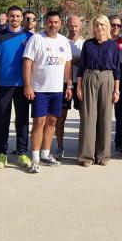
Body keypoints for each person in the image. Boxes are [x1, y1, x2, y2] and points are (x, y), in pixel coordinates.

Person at [22, 11, 72, 173]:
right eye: (50, 22)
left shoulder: (64, 41)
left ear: (60, 24)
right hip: (40, 90)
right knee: (39, 122)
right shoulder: (36, 39)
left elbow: (67, 64)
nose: (53, 25)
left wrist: (69, 84)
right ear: (45, 23)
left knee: (52, 122)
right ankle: (35, 158)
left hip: (57, 90)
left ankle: (45, 153)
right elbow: (27, 63)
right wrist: (28, 85)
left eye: (56, 22)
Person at [76, 16, 121, 166]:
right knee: (88, 117)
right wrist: (79, 87)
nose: (99, 27)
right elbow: (81, 67)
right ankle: (86, 156)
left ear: (107, 26)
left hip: (107, 79)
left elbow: (117, 70)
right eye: (96, 25)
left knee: (105, 117)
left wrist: (116, 90)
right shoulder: (88, 44)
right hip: (89, 78)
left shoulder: (113, 46)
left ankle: (103, 155)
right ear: (93, 27)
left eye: (102, 24)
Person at [0, 6, 32, 168]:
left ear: (22, 18)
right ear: (7, 17)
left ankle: (22, 152)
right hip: (3, 84)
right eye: (12, 16)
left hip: (23, 85)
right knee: (2, 120)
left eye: (17, 16)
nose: (15, 19)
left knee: (22, 120)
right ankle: (1, 153)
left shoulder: (30, 37)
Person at [54, 16, 84, 159]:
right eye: (71, 26)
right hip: (63, 83)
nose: (73, 29)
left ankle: (84, 147)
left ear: (81, 26)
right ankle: (60, 147)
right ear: (66, 26)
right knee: (60, 117)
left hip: (81, 83)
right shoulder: (61, 42)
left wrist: (71, 61)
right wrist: (73, 61)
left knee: (84, 117)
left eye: (76, 26)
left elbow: (86, 62)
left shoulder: (85, 44)